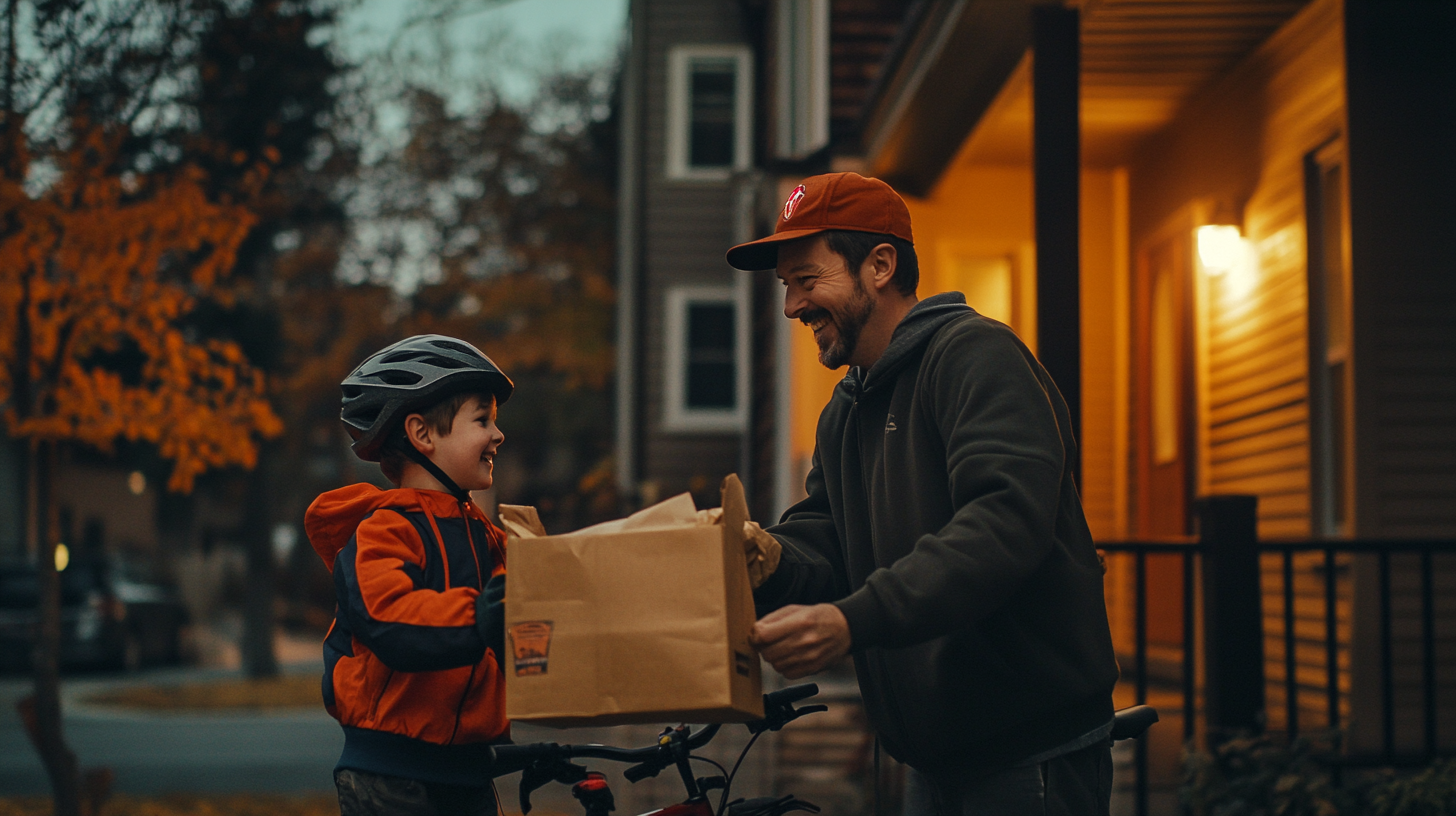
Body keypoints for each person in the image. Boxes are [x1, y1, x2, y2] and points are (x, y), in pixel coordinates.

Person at [726, 173, 1120, 815]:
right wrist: (768, 558)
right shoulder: (846, 410)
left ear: (879, 265)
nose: (793, 308)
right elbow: (827, 531)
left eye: (807, 281)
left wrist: (854, 620)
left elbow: (1003, 524)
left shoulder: (976, 357)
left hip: (1029, 751)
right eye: (786, 288)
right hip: (931, 757)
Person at [305, 334, 515, 816]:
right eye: (482, 419)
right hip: (393, 776)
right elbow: (392, 619)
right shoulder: (382, 532)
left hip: (469, 771)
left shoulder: (489, 540)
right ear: (422, 435)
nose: (498, 435)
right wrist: (482, 616)